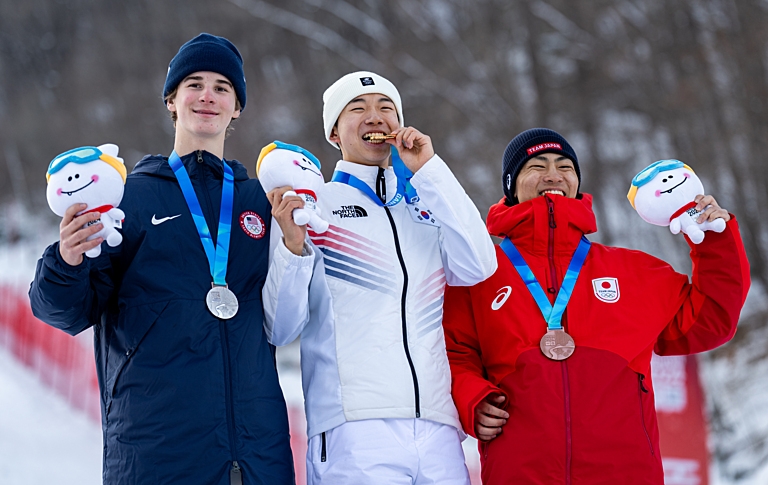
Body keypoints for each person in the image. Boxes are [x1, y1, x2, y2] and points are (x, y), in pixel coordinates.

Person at [28, 33, 295, 484]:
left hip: (257, 453)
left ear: (237, 108)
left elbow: (289, 314)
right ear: (171, 100)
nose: (207, 96)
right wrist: (66, 260)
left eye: (222, 87)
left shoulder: (262, 204)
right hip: (154, 451)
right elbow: (65, 311)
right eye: (194, 84)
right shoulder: (126, 197)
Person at [443, 128, 751, 484]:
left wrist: (714, 241)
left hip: (625, 473)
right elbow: (453, 353)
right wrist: (472, 399)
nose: (553, 175)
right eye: (536, 166)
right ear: (511, 185)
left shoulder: (633, 271)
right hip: (522, 473)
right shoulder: (480, 273)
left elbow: (711, 320)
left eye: (565, 166)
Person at [262, 71, 497, 484]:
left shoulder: (426, 203)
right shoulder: (314, 208)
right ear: (334, 132)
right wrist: (292, 248)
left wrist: (429, 169)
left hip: (438, 427)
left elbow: (479, 264)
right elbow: (281, 327)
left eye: (386, 108)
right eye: (358, 109)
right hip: (354, 428)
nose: (375, 117)